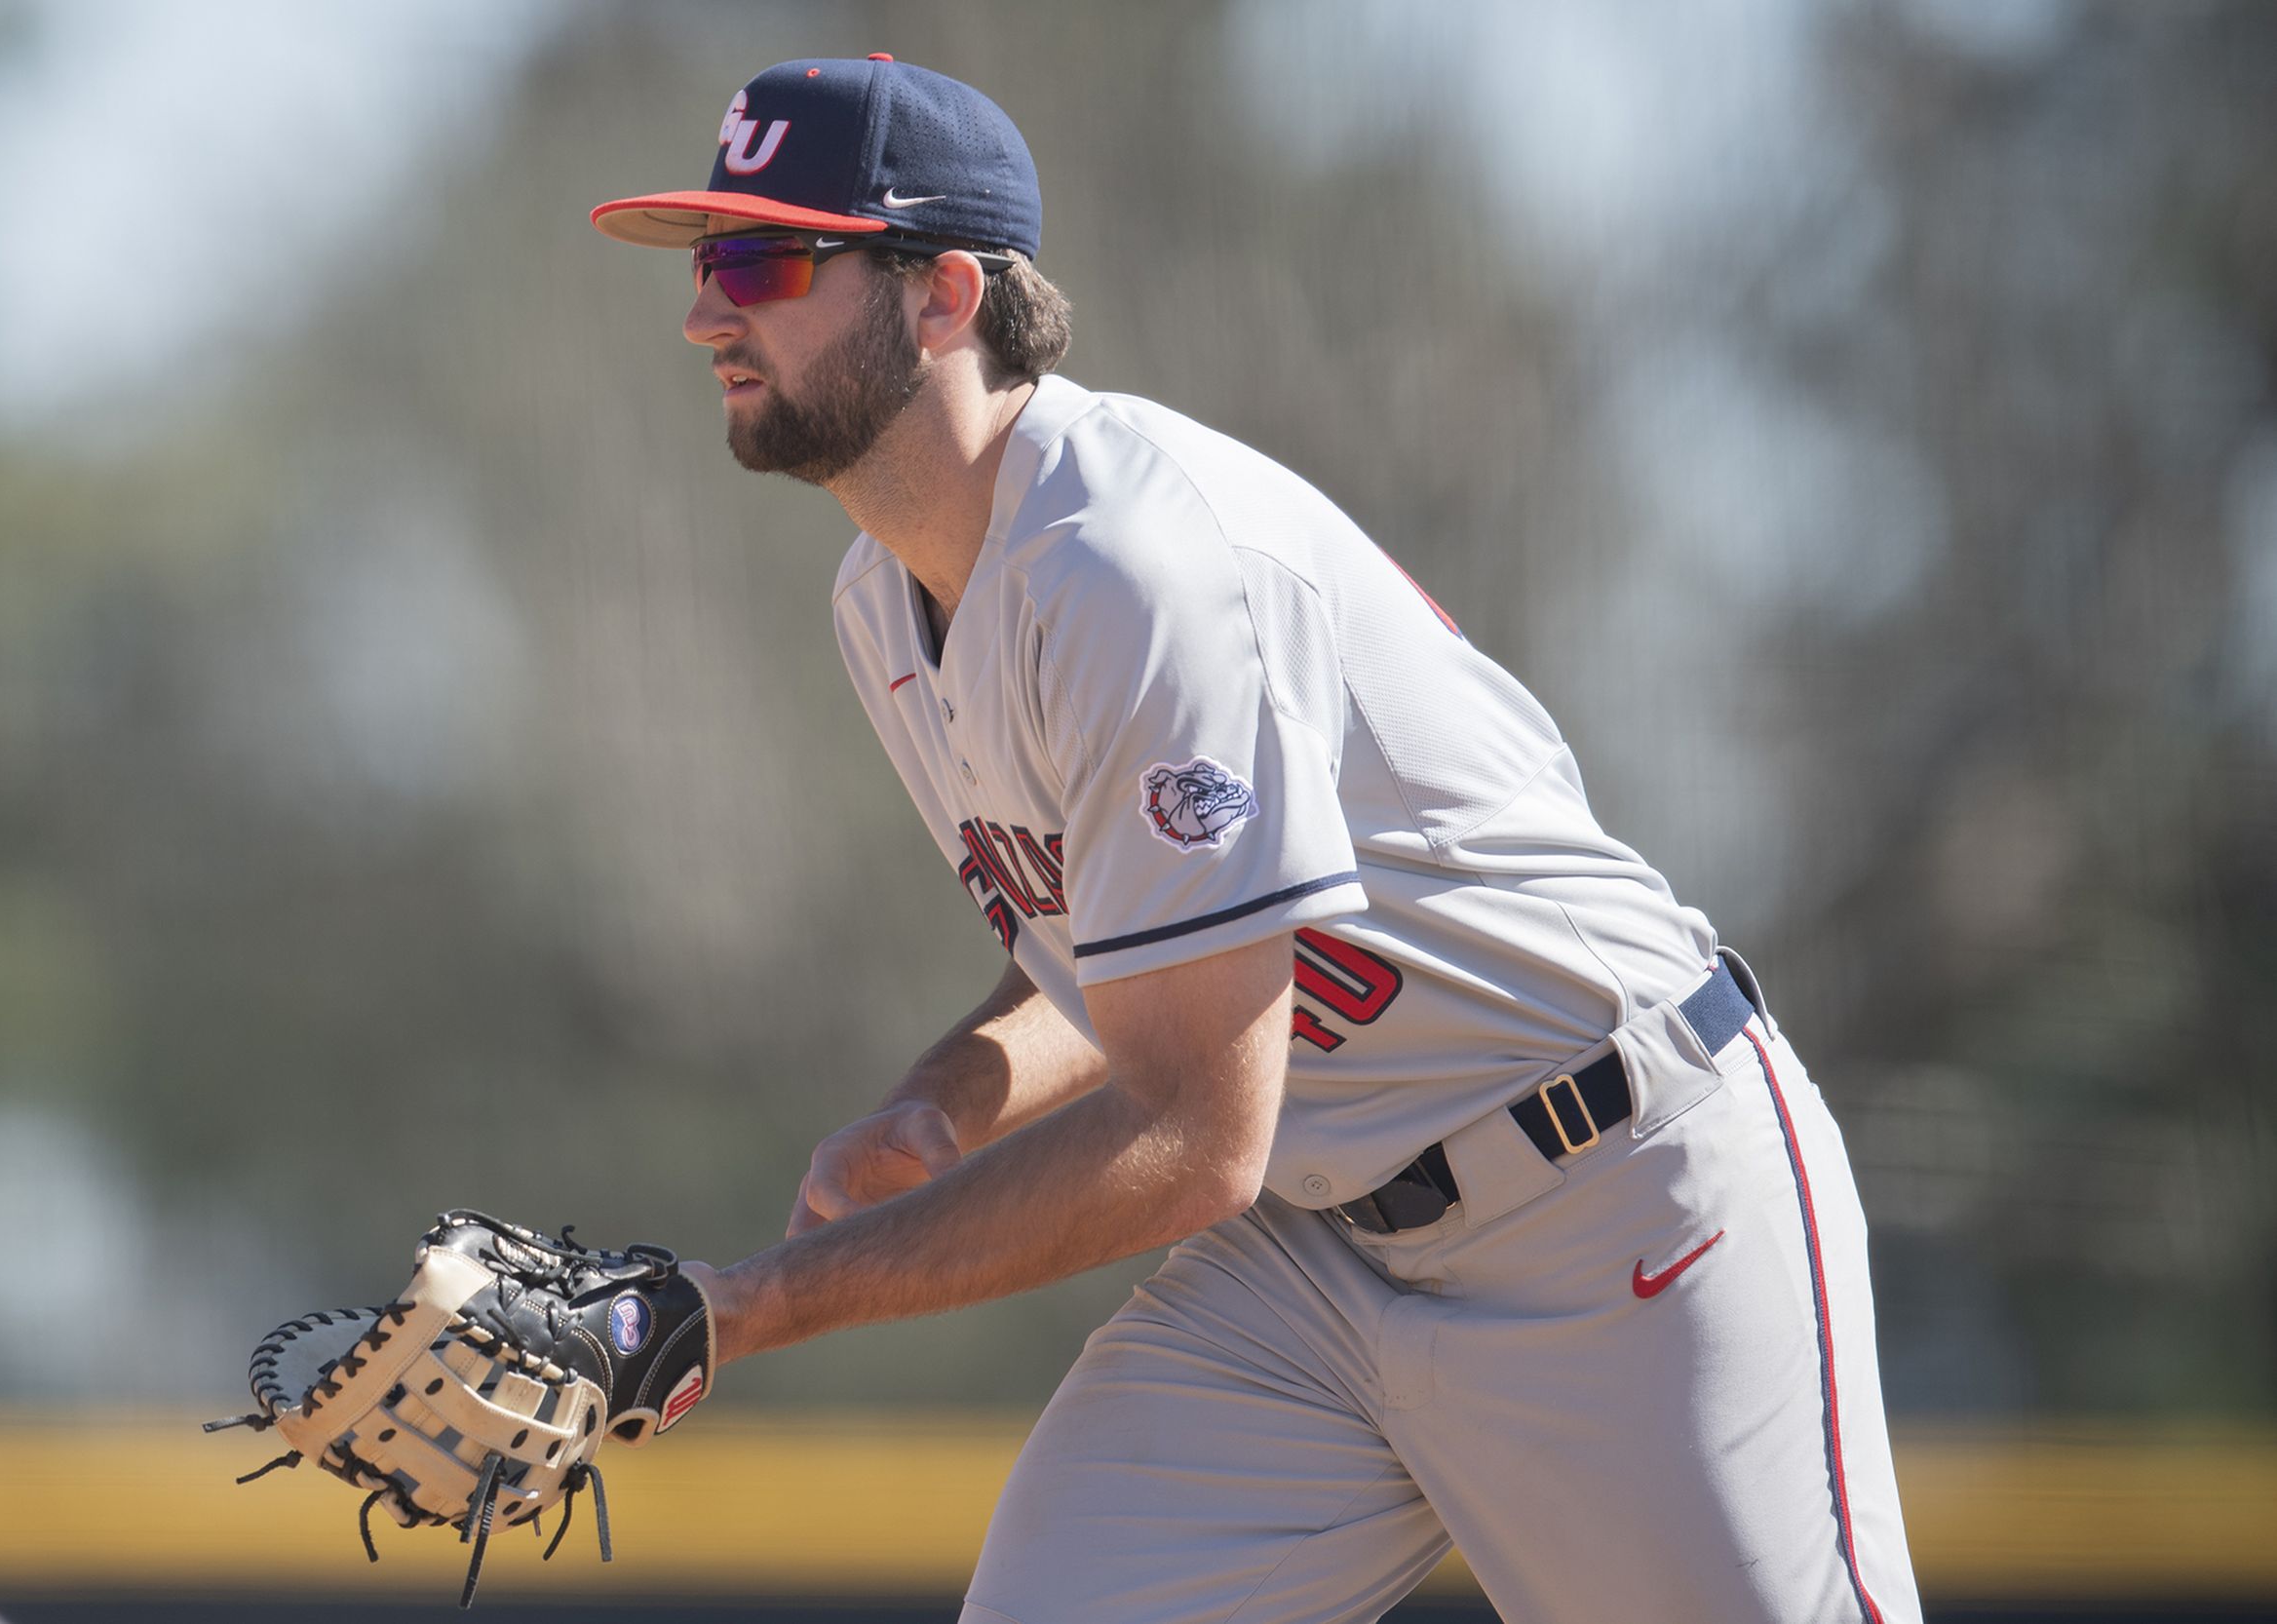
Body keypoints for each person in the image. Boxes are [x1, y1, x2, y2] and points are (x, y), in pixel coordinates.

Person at [590, 55, 1923, 1624]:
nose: (704, 315)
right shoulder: (883, 600)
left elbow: (1195, 1130)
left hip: (1620, 1196)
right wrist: (948, 1097)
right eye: (702, 262)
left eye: (761, 260)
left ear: (943, 294)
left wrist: (744, 1307)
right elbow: (1154, 950)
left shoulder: (1134, 565)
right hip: (1321, 1265)